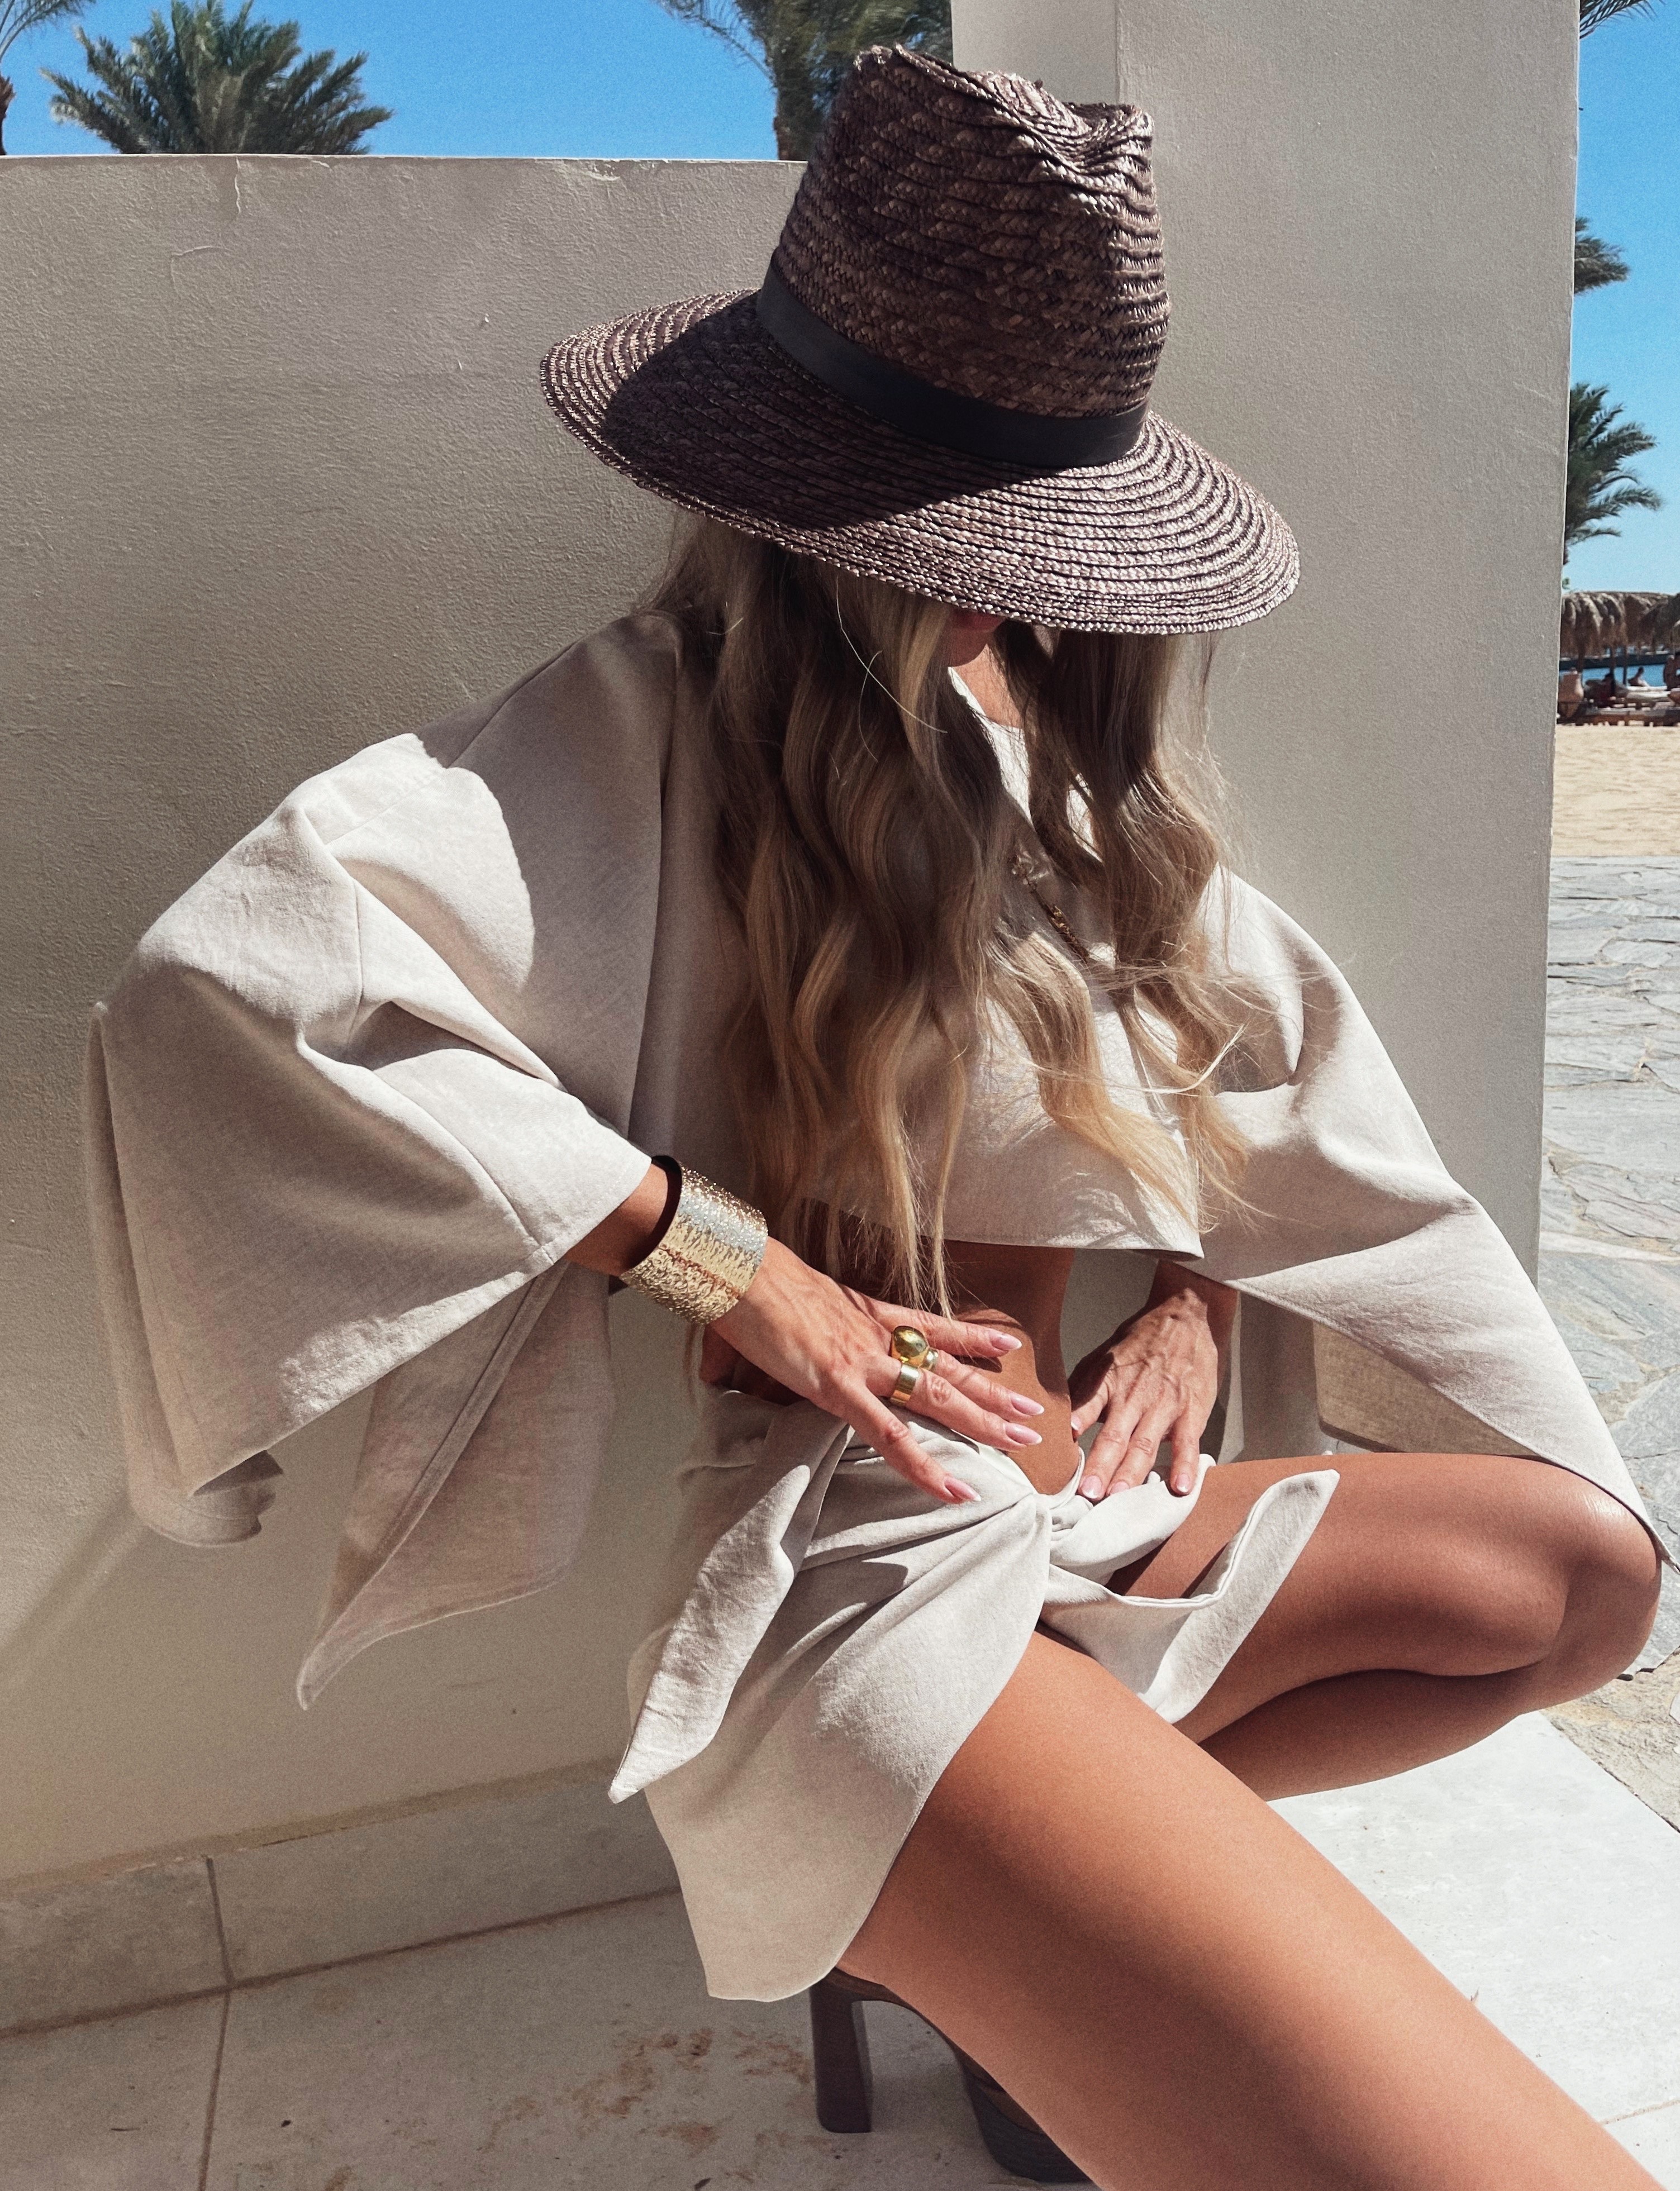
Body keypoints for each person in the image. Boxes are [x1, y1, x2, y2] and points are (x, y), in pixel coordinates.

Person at [87, 49, 1662, 2191]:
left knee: (1580, 1573)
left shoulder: (1062, 759)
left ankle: (1027, 1914)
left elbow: (1247, 1066)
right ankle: (989, 1872)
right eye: (960, 528)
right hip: (846, 1560)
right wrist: (731, 1261)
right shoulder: (641, 732)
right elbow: (236, 981)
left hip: (1073, 1520)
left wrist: (1194, 1298)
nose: (1006, 582)